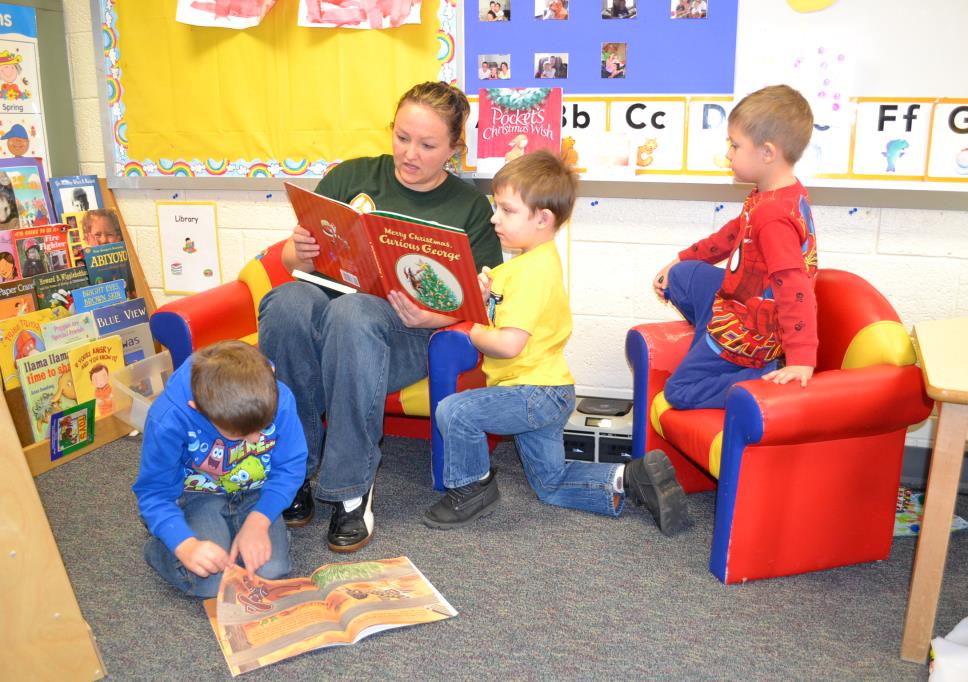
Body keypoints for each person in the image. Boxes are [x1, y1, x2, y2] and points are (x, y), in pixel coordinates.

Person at [258, 81, 503, 552]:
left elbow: (485, 303)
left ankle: (350, 489)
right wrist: (301, 254)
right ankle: (294, 470)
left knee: (353, 314)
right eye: (402, 137)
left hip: (404, 335)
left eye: (428, 145)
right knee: (287, 303)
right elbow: (292, 259)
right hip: (322, 312)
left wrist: (431, 316)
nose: (410, 154)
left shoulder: (470, 208)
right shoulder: (350, 177)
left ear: (456, 148)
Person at [421, 151, 689, 535]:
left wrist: (469, 328)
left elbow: (510, 344)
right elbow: (505, 313)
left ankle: (471, 489)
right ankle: (631, 478)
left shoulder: (532, 272)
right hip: (546, 391)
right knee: (550, 484)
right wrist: (482, 299)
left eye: (507, 210)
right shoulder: (524, 266)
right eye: (496, 207)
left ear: (543, 218)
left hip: (532, 391)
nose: (494, 217)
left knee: (455, 411)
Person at [651, 84, 819, 411]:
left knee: (679, 392)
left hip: (751, 331)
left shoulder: (773, 216)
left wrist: (801, 360)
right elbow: (733, 235)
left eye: (735, 145)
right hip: (745, 295)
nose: (728, 154)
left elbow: (795, 286)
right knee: (683, 276)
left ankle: (756, 375)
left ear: (767, 152)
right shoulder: (776, 194)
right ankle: (710, 335)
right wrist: (681, 259)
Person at [132, 341, 306, 598]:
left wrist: (259, 521)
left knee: (272, 570)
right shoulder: (169, 417)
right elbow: (154, 493)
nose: (257, 440)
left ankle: (238, 530)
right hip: (199, 495)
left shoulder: (278, 397)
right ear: (199, 410)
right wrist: (184, 545)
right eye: (241, 434)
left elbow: (290, 467)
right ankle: (160, 547)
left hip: (257, 492)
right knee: (211, 583)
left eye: (262, 427)